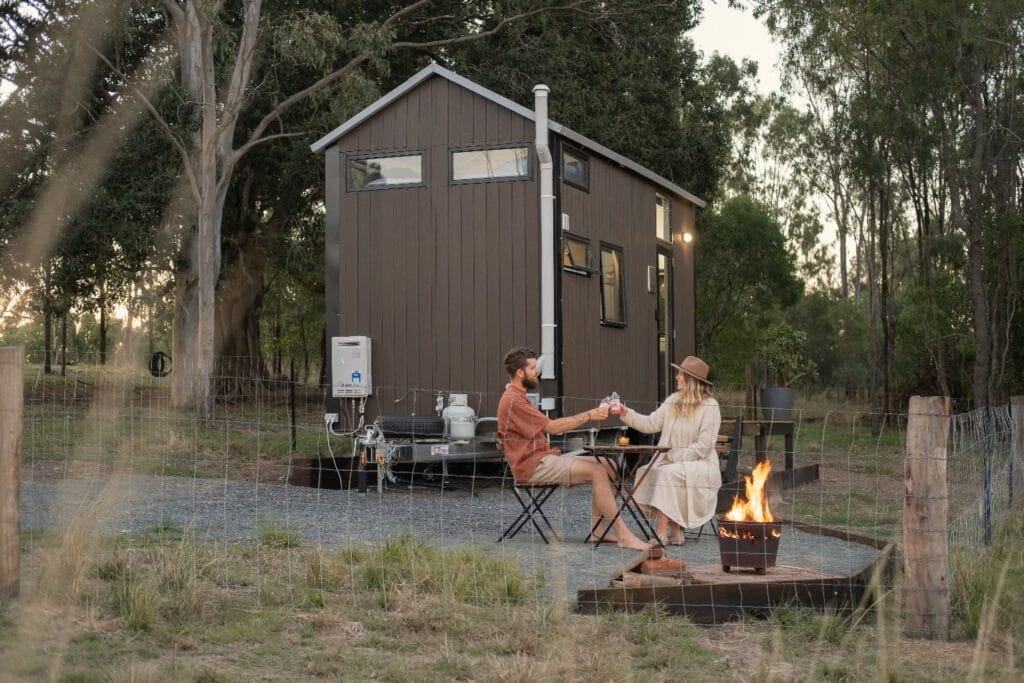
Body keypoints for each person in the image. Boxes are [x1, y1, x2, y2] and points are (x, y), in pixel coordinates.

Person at [497, 346, 653, 551]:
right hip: (531, 467)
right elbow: (552, 427)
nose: (537, 372)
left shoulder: (519, 396)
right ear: (520, 373)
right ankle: (625, 536)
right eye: (533, 368)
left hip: (542, 458)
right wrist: (589, 415)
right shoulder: (513, 400)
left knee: (608, 464)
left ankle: (597, 530)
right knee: (597, 470)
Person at [618, 356, 721, 545]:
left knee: (666, 474)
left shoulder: (710, 406)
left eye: (680, 374)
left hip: (701, 464)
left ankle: (661, 533)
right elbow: (651, 423)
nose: (677, 377)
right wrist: (626, 413)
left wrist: (677, 458)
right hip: (674, 463)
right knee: (647, 471)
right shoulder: (673, 401)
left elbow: (704, 445)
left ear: (691, 380)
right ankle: (675, 528)